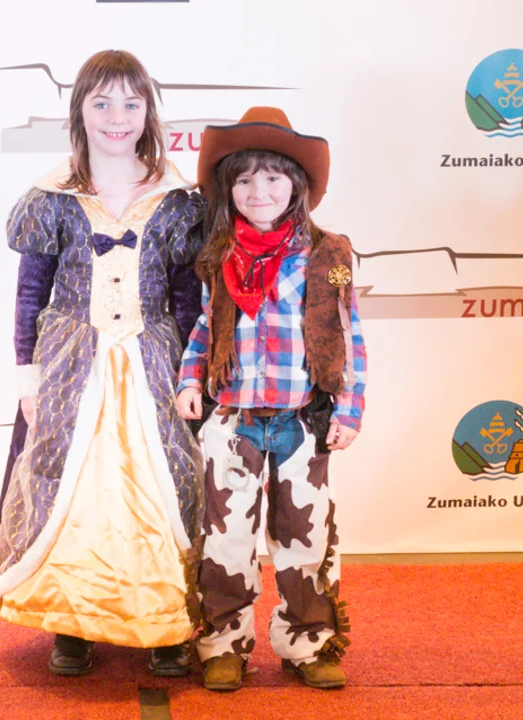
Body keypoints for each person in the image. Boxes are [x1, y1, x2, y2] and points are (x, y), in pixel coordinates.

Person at [0, 50, 205, 679]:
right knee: (65, 479)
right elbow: (31, 293)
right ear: (79, 111)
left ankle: (166, 622)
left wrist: (194, 376)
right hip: (70, 364)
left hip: (153, 359)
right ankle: (71, 622)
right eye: (101, 102)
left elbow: (189, 299)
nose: (117, 117)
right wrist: (27, 376)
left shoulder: (177, 200)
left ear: (148, 112)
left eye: (131, 103)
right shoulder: (52, 198)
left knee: (164, 481)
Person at [175, 107, 367, 691]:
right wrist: (190, 380)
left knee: (305, 538)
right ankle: (222, 643)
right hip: (232, 420)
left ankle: (309, 642)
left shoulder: (329, 255)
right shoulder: (220, 255)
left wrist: (349, 408)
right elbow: (206, 327)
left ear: (297, 185)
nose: (258, 191)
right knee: (224, 537)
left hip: (300, 422)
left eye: (273, 177)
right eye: (244, 179)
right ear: (228, 188)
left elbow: (348, 332)